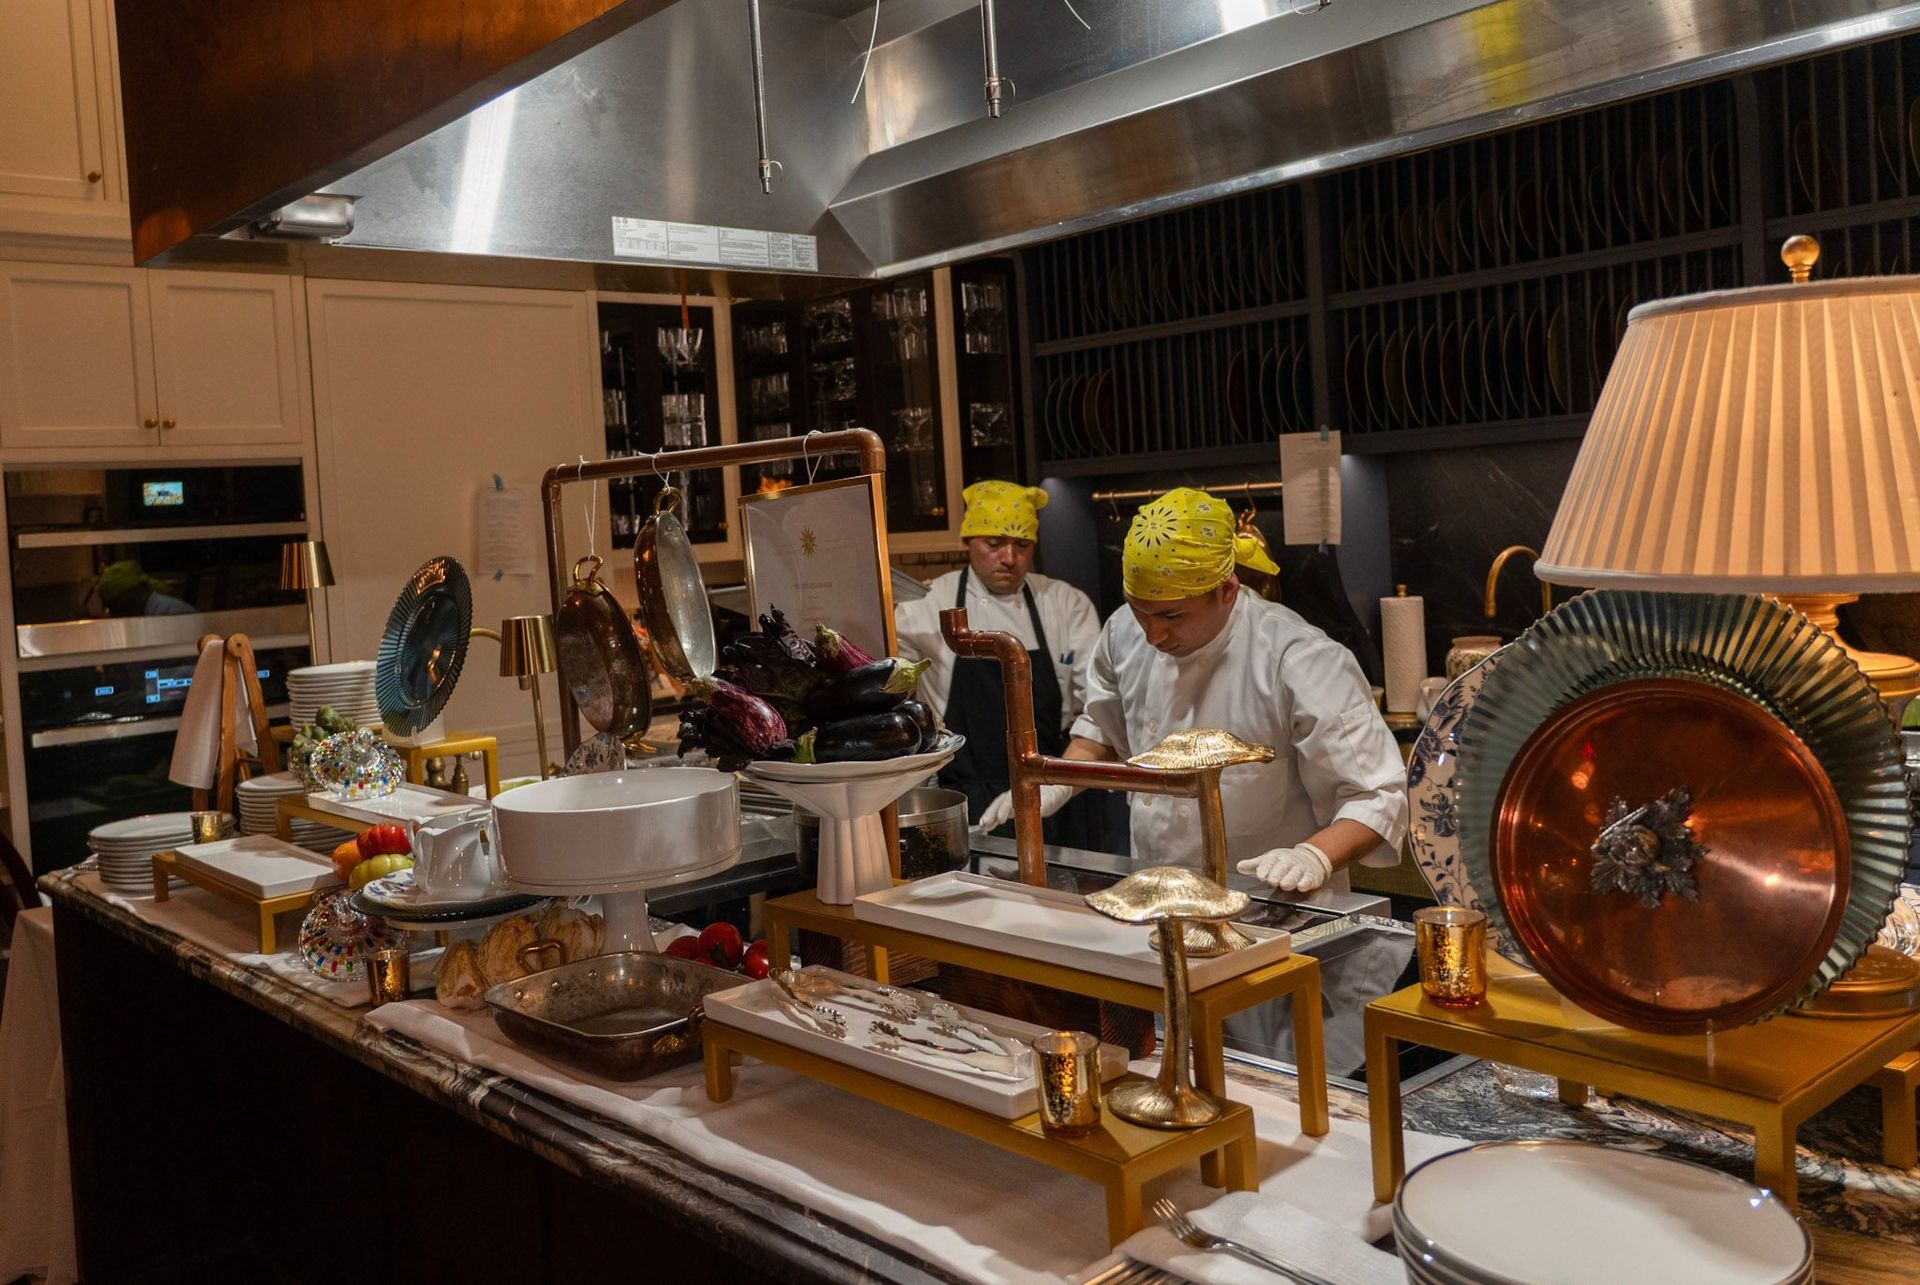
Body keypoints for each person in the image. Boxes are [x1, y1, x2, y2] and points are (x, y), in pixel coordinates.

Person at [1046, 487, 1407, 896]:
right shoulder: (1121, 633)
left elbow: (1378, 796)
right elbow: (1104, 728)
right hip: (1154, 896)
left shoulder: (1300, 658)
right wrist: (1056, 781)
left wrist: (1313, 857)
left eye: (1171, 615)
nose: (1152, 635)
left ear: (1227, 591)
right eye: (1138, 609)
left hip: (1272, 906)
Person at [894, 480, 1102, 843]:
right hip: (960, 796)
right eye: (994, 544)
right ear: (967, 541)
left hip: (1049, 795)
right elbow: (892, 686)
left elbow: (1097, 710)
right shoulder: (925, 604)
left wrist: (1058, 786)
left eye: (1022, 545)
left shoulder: (1067, 604)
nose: (1009, 558)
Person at [95, 559, 195, 617]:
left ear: (134, 591)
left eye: (115, 604)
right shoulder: (147, 613)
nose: (113, 613)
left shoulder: (171, 612)